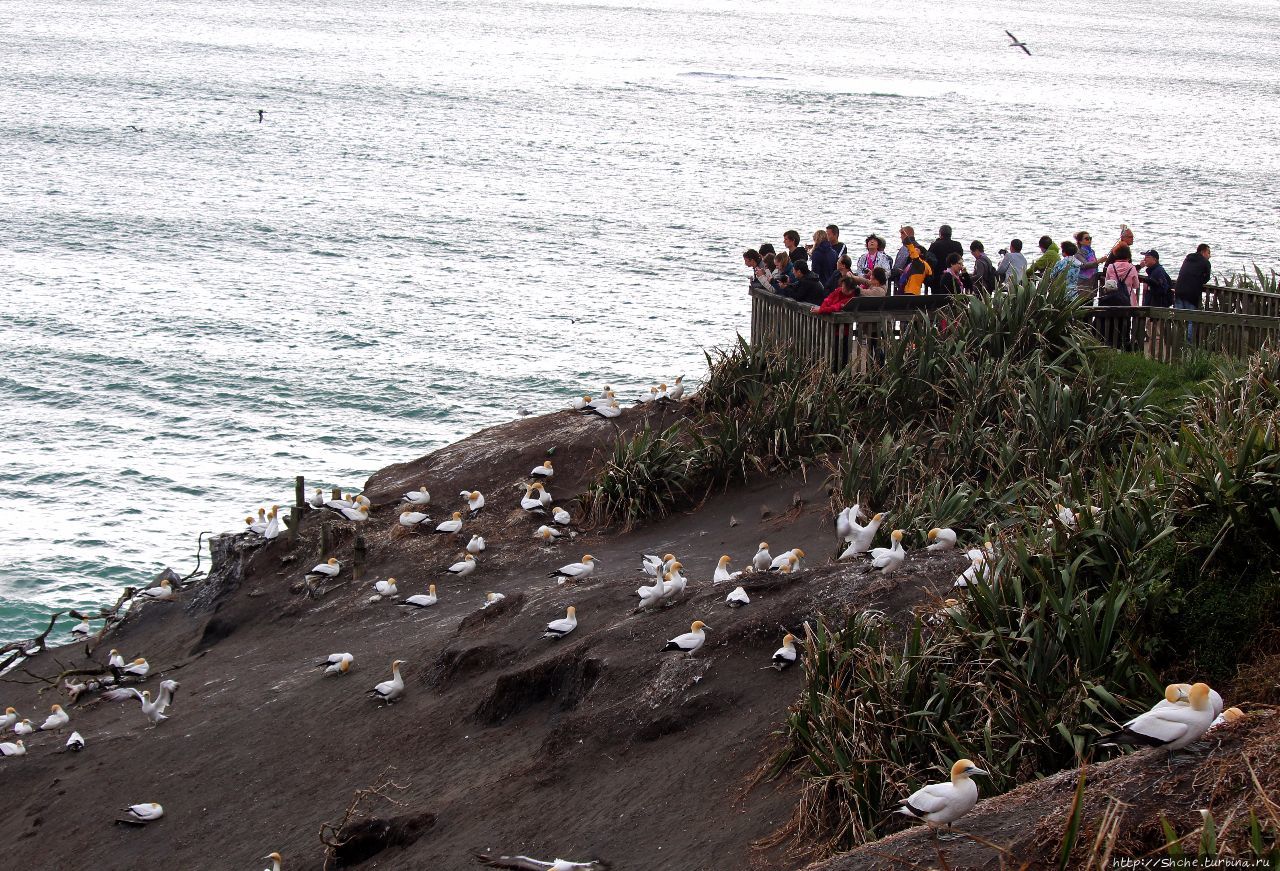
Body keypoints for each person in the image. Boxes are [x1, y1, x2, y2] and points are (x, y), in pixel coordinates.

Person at [1174, 244, 1212, 311]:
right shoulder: (1206, 262)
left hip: (1179, 290)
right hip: (1191, 294)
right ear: (1203, 252)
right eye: (1208, 253)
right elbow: (1207, 278)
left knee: (1178, 316)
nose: (1210, 256)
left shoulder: (1188, 258)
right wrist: (1199, 280)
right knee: (1190, 317)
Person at [927, 225, 964, 293]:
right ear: (950, 234)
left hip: (937, 277)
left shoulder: (935, 245)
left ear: (940, 234)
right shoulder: (957, 245)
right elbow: (960, 258)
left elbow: (929, 260)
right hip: (954, 277)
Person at [891, 225, 915, 291]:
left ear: (905, 234)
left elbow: (898, 266)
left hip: (904, 281)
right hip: (916, 282)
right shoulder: (920, 247)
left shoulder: (905, 248)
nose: (900, 237)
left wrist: (891, 273)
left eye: (901, 234)